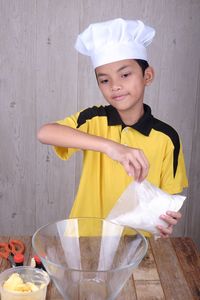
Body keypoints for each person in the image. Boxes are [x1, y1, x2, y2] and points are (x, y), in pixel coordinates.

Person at [37, 18, 188, 238]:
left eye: (125, 75)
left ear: (147, 76)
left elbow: (167, 199)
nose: (115, 86)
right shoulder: (93, 121)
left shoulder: (167, 138)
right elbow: (45, 133)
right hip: (85, 238)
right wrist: (111, 147)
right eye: (104, 80)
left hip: (136, 244)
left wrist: (167, 217)